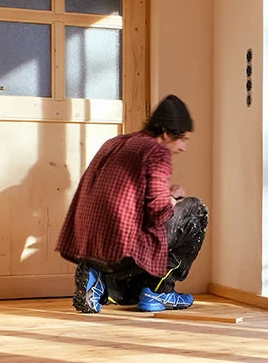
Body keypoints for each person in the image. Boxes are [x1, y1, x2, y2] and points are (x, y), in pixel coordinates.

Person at [57, 95, 208, 314]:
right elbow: (157, 214)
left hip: (88, 247)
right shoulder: (157, 153)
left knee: (132, 276)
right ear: (166, 134)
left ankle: (99, 281)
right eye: (182, 139)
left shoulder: (115, 143)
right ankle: (159, 290)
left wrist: (166, 193)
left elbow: (126, 197)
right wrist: (173, 200)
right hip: (121, 252)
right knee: (195, 210)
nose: (184, 147)